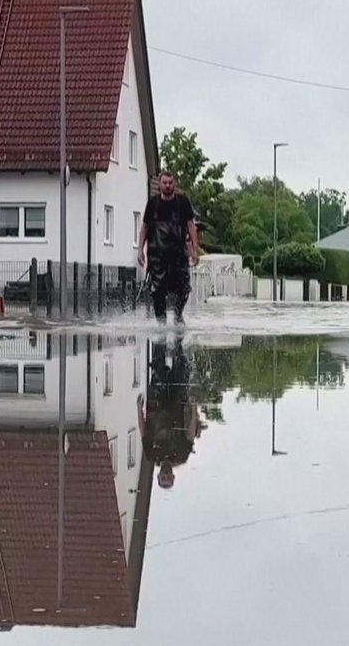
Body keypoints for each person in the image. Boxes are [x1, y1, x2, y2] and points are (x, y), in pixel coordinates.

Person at [140, 336, 202, 489]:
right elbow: (190, 433)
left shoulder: (151, 455)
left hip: (157, 404)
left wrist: (138, 409)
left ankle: (159, 334)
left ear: (158, 475)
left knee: (158, 364)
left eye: (163, 477)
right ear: (173, 476)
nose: (166, 474)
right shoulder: (182, 456)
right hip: (177, 403)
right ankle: (179, 335)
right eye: (168, 477)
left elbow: (144, 432)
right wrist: (193, 410)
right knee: (182, 366)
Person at [137, 171, 199, 325]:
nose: (167, 186)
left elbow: (191, 227)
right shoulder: (153, 204)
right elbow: (144, 227)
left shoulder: (183, 203)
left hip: (178, 255)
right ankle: (161, 321)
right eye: (164, 183)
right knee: (158, 291)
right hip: (157, 256)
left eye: (170, 183)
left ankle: (178, 315)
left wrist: (194, 250)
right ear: (159, 185)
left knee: (183, 288)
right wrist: (140, 250)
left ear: (175, 184)